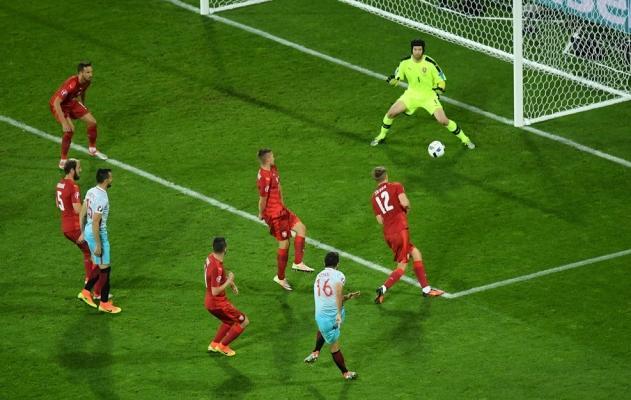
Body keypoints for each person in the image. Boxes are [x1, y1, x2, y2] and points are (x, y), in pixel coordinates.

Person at [371, 39, 475, 149]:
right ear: (412, 50)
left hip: (428, 96)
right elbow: (397, 78)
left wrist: (440, 89)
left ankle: (465, 139)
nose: (417, 52)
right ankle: (381, 136)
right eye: (415, 49)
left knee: (443, 120)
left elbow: (441, 80)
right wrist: (393, 82)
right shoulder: (404, 62)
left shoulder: (430, 62)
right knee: (391, 113)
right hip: (411, 95)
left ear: (423, 50)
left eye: (419, 49)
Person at [370, 166, 444, 303]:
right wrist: (405, 211)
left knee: (415, 253)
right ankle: (383, 288)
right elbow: (404, 203)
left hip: (389, 234)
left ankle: (426, 289)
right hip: (401, 231)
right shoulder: (396, 186)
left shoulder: (374, 197)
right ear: (386, 175)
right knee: (402, 266)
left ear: (376, 179)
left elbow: (380, 220)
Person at [257, 148, 313, 291]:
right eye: (272, 156)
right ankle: (280, 278)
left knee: (301, 228)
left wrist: (282, 203)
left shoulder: (273, 169)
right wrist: (261, 214)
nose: (274, 158)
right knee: (285, 244)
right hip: (274, 214)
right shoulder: (264, 177)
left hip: (281, 209)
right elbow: (262, 199)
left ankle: (298, 262)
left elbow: (279, 186)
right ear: (267, 159)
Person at [303, 252, 359, 380]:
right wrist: (338, 313)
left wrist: (347, 297)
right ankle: (346, 373)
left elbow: (332, 297)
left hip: (320, 317)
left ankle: (315, 352)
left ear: (324, 263)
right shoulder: (339, 275)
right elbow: (338, 294)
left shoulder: (318, 276)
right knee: (334, 347)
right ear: (337, 264)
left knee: (322, 329)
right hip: (333, 318)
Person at [55, 159, 103, 297]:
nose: (80, 170)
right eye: (78, 168)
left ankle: (89, 280)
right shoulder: (73, 186)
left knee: (87, 253)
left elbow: (58, 204)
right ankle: (96, 292)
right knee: (98, 255)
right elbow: (77, 209)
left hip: (66, 228)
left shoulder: (59, 184)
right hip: (75, 228)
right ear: (72, 170)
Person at [77, 168, 121, 313]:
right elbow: (96, 221)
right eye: (111, 177)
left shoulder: (91, 191)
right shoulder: (102, 197)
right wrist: (98, 244)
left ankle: (86, 292)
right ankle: (104, 303)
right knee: (105, 269)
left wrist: (83, 232)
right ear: (106, 180)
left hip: (89, 231)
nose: (112, 179)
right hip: (98, 234)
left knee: (100, 266)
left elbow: (82, 212)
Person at [49, 61, 106, 169]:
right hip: (59, 105)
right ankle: (63, 160)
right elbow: (56, 102)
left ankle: (92, 149)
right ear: (80, 73)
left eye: (91, 72)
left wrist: (83, 105)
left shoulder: (87, 81)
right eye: (88, 72)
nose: (91, 74)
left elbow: (82, 92)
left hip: (71, 102)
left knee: (92, 122)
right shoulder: (71, 84)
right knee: (69, 130)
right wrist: (64, 123)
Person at [205, 237, 249, 357]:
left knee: (228, 321)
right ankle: (223, 346)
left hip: (209, 301)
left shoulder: (210, 257)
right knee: (244, 321)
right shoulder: (216, 267)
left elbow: (216, 276)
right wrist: (229, 281)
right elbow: (215, 291)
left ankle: (214, 344)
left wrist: (231, 284)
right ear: (225, 249)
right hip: (218, 303)